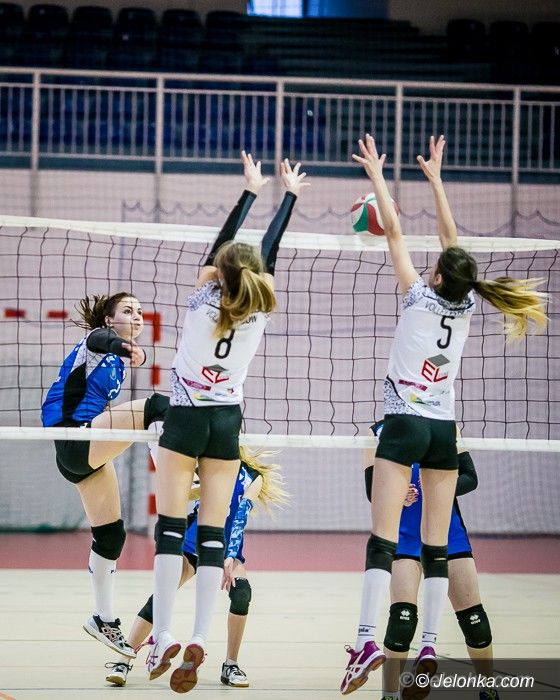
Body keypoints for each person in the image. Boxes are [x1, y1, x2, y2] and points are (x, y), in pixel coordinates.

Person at [341, 133, 547, 696]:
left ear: (434, 276)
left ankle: (365, 639)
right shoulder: (468, 302)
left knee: (383, 540)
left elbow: (397, 233)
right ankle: (430, 644)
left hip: (403, 422)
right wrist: (436, 181)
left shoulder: (417, 296)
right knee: (437, 547)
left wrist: (378, 176)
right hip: (442, 430)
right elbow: (453, 246)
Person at [147, 150, 309, 693]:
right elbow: (268, 252)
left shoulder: (201, 299)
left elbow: (224, 249)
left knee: (171, 530)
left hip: (186, 416)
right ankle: (199, 634)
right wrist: (290, 195)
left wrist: (251, 191)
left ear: (218, 272)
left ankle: (162, 636)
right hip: (225, 420)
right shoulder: (262, 306)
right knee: (213, 535)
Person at [41, 293, 169, 658]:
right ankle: (178, 480)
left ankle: (103, 618)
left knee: (111, 536)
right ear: (110, 320)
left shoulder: (117, 364)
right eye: (128, 311)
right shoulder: (98, 342)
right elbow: (99, 338)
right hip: (75, 437)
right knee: (157, 406)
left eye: (141, 311)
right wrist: (122, 346)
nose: (138, 316)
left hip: (81, 455)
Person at [104, 446, 287, 689]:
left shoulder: (252, 477)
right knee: (162, 595)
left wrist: (231, 556)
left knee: (242, 593)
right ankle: (123, 661)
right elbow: (183, 495)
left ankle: (230, 665)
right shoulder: (206, 463)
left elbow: (241, 516)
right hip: (194, 540)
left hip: (226, 547)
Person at [365, 422, 500, 700]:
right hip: (405, 538)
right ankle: (389, 695)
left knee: (474, 620)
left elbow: (470, 477)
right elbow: (372, 490)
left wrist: (436, 491)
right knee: (402, 620)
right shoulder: (377, 433)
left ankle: (489, 690)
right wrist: (397, 494)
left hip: (449, 535)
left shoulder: (447, 427)